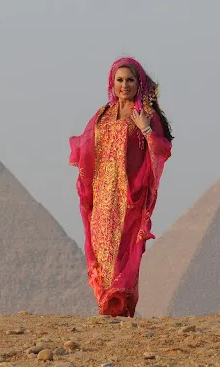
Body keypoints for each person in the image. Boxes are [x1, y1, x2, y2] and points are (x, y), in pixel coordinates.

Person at [69, 56, 173, 317]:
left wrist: (147, 130)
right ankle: (106, 303)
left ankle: (119, 304)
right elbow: (85, 147)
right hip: (103, 193)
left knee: (123, 249)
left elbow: (161, 150)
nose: (124, 85)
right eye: (119, 80)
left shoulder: (146, 115)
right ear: (111, 83)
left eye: (130, 80)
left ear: (140, 83)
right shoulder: (102, 115)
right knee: (102, 248)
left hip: (130, 194)